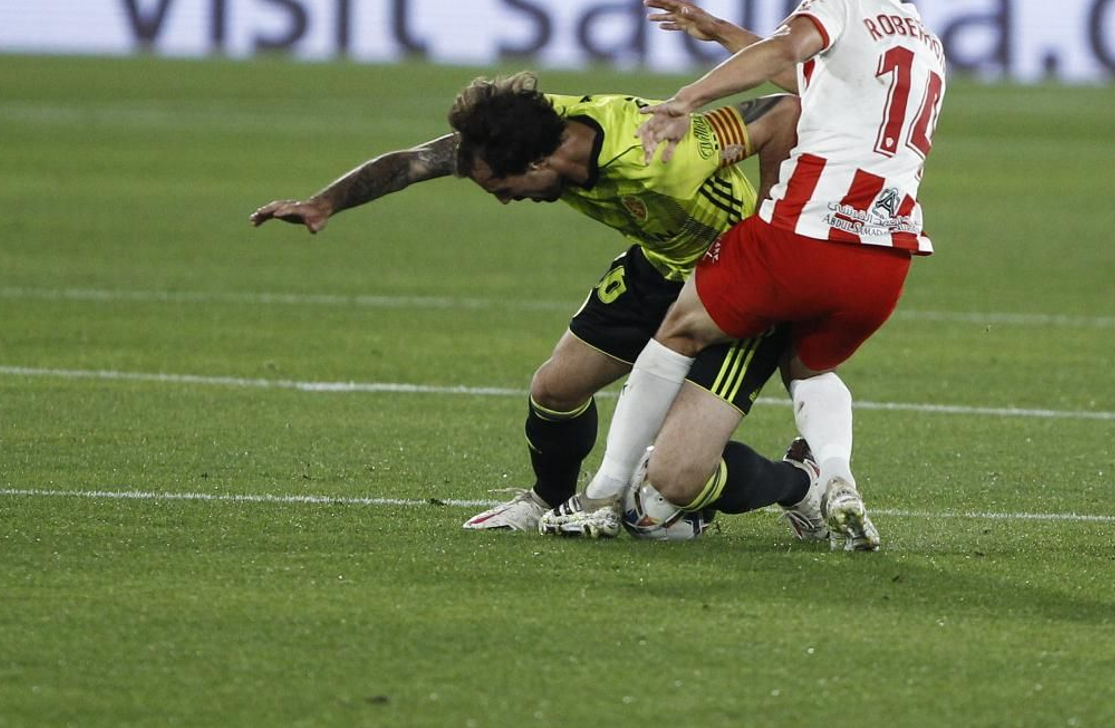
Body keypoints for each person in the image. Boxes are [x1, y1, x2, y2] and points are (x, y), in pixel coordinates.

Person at [250, 73, 835, 539]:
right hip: (658, 265)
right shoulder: (521, 131)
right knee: (556, 390)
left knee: (677, 479)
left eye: (503, 190)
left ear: (537, 166)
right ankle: (549, 502)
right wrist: (323, 203)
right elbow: (411, 163)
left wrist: (774, 226)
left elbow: (782, 111)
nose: (504, 202)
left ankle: (800, 485)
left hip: (733, 283)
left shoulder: (653, 154)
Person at [541, 0, 945, 552]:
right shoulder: (924, 41)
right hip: (887, 257)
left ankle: (600, 494)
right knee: (808, 368)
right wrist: (720, 32)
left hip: (804, 236)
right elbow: (810, 77)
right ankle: (834, 477)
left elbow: (786, 54)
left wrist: (686, 99)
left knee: (677, 325)